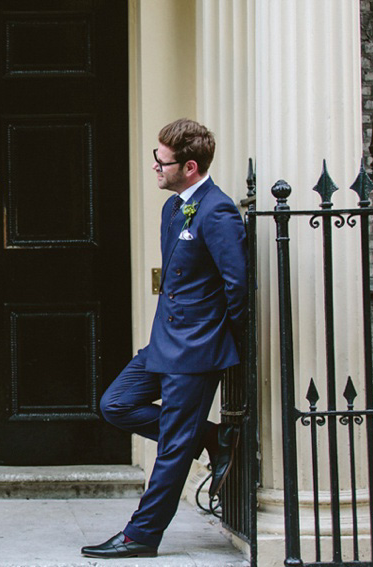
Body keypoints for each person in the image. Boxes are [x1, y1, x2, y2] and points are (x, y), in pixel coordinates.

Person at [82, 119, 246, 559]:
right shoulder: (174, 208)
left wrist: (227, 348)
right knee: (116, 404)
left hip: (195, 349)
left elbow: (237, 287)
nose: (154, 166)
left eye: (162, 160)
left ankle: (141, 535)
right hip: (163, 343)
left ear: (189, 166)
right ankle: (210, 437)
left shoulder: (218, 211)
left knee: (172, 449)